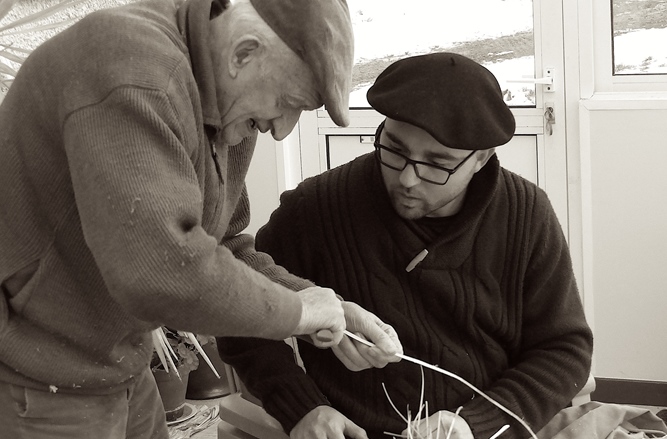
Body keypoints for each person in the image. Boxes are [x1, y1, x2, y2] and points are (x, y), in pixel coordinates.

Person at [0, 0, 401, 437]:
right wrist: (299, 312)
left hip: (119, 363)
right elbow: (160, 270)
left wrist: (327, 310)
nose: (282, 130)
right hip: (34, 372)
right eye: (288, 102)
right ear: (242, 53)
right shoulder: (131, 67)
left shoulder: (229, 107)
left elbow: (223, 242)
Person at [218, 52, 595, 439]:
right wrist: (302, 408)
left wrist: (475, 424)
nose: (409, 179)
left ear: (481, 158)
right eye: (394, 148)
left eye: (437, 163)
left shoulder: (525, 214)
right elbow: (237, 307)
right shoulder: (316, 208)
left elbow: (565, 348)